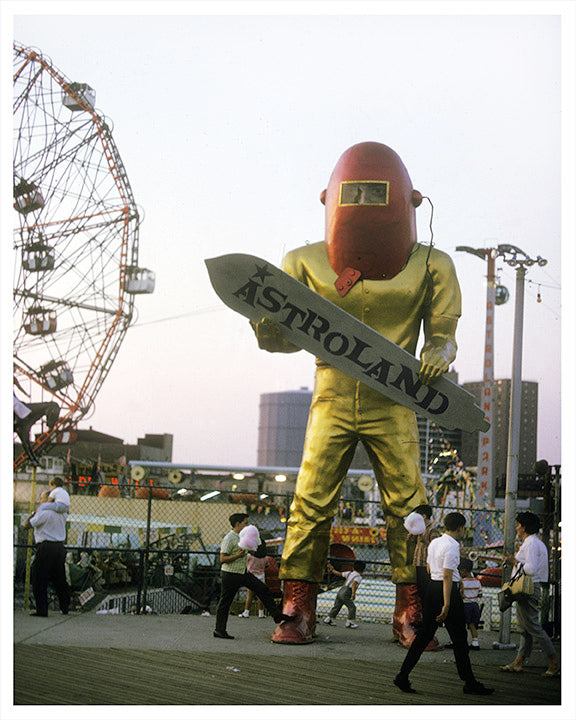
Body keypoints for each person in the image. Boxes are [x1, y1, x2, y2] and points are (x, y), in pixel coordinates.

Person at [251, 142, 462, 644]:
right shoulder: (302, 262)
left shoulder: (433, 266)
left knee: (408, 507)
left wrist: (440, 349)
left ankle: (408, 608)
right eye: (356, 193)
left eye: (375, 193)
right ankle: (298, 604)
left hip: (393, 399)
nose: (365, 203)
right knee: (310, 500)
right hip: (335, 396)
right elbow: (281, 336)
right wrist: (266, 327)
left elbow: (444, 333)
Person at [393, 512, 494, 696]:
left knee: (423, 636)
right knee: (459, 639)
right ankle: (469, 682)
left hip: (432, 588)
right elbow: (448, 575)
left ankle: (403, 675)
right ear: (460, 528)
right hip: (447, 592)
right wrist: (447, 604)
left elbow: (431, 568)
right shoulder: (453, 545)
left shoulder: (435, 543)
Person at [214, 513, 294, 639]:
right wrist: (237, 556)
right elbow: (222, 559)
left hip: (243, 573)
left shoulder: (243, 536)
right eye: (245, 523)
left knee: (262, 589)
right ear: (237, 524)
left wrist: (256, 534)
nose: (247, 525)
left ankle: (276, 615)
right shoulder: (229, 538)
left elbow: (258, 551)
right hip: (230, 574)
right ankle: (219, 630)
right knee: (225, 602)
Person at [500, 511, 560, 677]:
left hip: (528, 588)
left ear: (524, 527)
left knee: (532, 626)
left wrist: (514, 561)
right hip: (529, 588)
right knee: (524, 627)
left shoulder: (530, 544)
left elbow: (530, 569)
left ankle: (554, 661)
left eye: (518, 525)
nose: (517, 528)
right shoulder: (535, 543)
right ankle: (519, 661)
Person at [24, 490, 70, 617]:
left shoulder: (43, 512)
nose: (40, 501)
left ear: (48, 500)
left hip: (45, 547)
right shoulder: (61, 514)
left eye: (42, 498)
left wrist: (32, 514)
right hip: (59, 547)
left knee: (39, 577)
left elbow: (27, 525)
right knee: (59, 578)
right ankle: (65, 606)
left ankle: (42, 609)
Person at [323, 560, 366, 628]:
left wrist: (332, 570)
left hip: (341, 591)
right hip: (347, 592)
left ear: (353, 568)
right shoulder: (359, 577)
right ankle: (350, 622)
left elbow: (339, 573)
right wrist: (353, 594)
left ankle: (328, 619)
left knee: (337, 606)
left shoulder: (349, 573)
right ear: (363, 570)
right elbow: (354, 584)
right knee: (352, 607)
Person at [459, 558, 482, 650]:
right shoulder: (477, 581)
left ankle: (461, 642)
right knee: (472, 625)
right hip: (475, 605)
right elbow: (480, 594)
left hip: (465, 605)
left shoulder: (463, 582)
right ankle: (475, 642)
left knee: (461, 624)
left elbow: (461, 594)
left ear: (463, 571)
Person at [239, 550, 270, 618]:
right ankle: (261, 613)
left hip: (252, 576)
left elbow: (244, 562)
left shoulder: (250, 556)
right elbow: (267, 565)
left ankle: (246, 612)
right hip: (261, 576)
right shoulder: (265, 557)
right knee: (260, 596)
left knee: (250, 595)